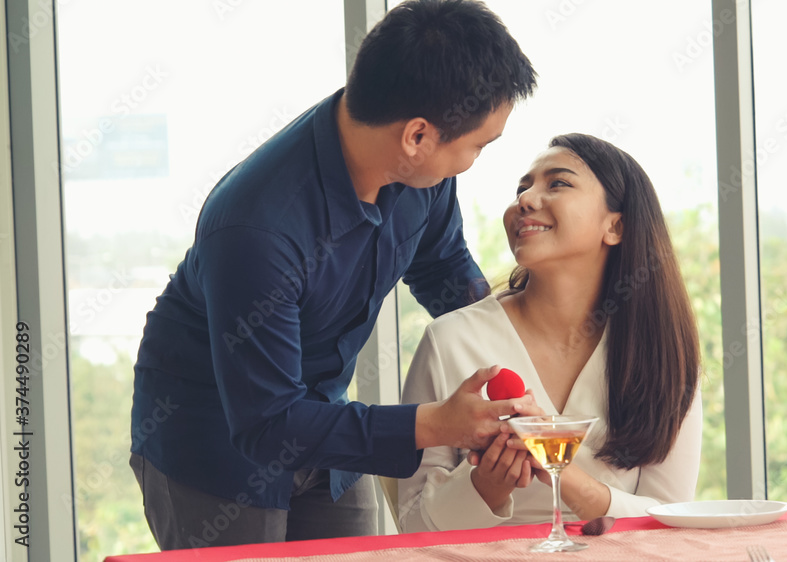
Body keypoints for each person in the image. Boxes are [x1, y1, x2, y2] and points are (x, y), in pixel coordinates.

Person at [129, 0, 539, 550]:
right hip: (215, 438)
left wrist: (512, 363)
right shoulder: (257, 225)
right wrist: (435, 424)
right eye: (477, 147)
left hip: (326, 419)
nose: (472, 161)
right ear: (417, 136)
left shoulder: (421, 176)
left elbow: (445, 272)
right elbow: (266, 423)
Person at [396, 133, 703, 532]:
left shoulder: (664, 357)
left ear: (616, 226)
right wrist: (485, 486)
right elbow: (413, 529)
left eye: (557, 183)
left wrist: (573, 482)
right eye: (522, 188)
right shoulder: (450, 341)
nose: (525, 199)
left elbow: (672, 521)